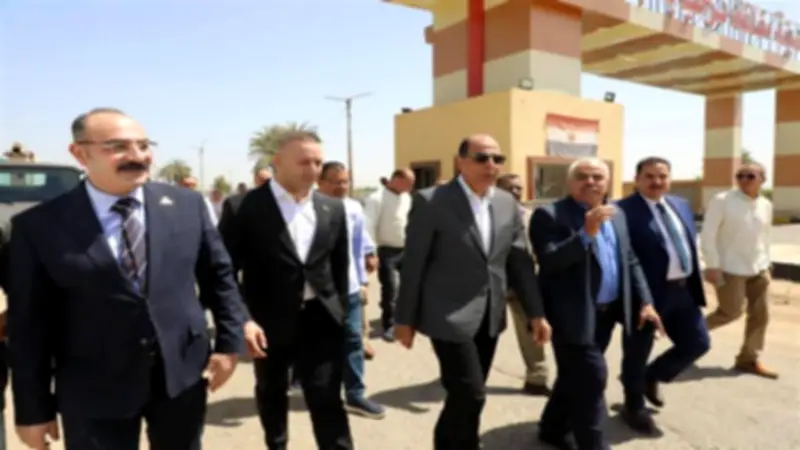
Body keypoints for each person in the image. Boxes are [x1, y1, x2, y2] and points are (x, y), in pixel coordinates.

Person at [6, 107, 245, 450]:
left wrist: (229, 343)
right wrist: (33, 410)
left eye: (144, 145)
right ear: (80, 153)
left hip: (180, 377)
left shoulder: (187, 205)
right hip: (93, 390)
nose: (137, 156)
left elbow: (219, 278)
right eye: (118, 147)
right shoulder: (37, 227)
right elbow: (28, 326)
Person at [394, 134, 550, 450]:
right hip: (447, 314)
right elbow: (413, 264)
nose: (490, 164)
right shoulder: (431, 201)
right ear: (460, 162)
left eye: (497, 158)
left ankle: (462, 442)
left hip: (490, 314)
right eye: (482, 158)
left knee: (466, 396)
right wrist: (404, 319)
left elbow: (519, 262)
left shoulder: (506, 203)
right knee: (470, 393)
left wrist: (535, 313)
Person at [220, 131, 354, 450]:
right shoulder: (243, 207)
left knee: (326, 394)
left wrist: (342, 313)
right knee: (272, 390)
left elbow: (339, 267)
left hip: (321, 319)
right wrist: (243, 319)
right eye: (304, 162)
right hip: (268, 321)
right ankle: (277, 444)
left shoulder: (333, 208)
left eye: (318, 162)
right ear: (277, 161)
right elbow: (225, 271)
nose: (313, 169)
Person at [530, 157, 661, 449]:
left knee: (574, 375)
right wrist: (585, 234)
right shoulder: (549, 215)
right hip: (572, 315)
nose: (590, 182)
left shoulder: (617, 214)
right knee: (592, 379)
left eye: (597, 177)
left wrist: (645, 301)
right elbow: (550, 262)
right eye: (582, 176)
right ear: (570, 182)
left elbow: (629, 259)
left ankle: (552, 428)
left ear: (607, 182)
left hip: (607, 312)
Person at [617, 157, 710, 419]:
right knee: (637, 353)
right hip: (645, 295)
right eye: (649, 176)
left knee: (697, 343)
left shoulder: (680, 204)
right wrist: (640, 298)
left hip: (683, 292)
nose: (656, 182)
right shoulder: (621, 211)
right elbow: (624, 257)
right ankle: (634, 407)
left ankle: (652, 375)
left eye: (662, 176)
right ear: (637, 179)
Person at [317, 161, 386, 419]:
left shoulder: (353, 207)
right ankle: (314, 387)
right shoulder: (309, 207)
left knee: (354, 340)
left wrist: (364, 277)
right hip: (320, 291)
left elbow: (359, 244)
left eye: (345, 181)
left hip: (350, 287)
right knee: (319, 342)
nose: (341, 186)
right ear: (320, 182)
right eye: (335, 182)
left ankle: (355, 395)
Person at [701, 162, 776, 378]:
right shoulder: (722, 201)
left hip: (759, 267)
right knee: (730, 312)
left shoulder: (765, 204)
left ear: (762, 179)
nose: (744, 180)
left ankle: (748, 359)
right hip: (729, 267)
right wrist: (711, 264)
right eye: (740, 175)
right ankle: (689, 335)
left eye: (750, 176)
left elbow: (765, 235)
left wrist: (767, 261)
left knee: (761, 315)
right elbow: (708, 234)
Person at [495, 173, 550, 396]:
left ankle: (537, 379)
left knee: (531, 329)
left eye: (519, 188)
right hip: (495, 283)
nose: (515, 192)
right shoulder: (487, 213)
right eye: (510, 188)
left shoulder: (530, 215)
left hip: (524, 283)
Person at [363, 168, 414, 341]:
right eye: (408, 183)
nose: (411, 187)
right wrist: (370, 252)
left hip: (407, 250)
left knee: (407, 289)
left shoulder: (407, 198)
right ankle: (390, 325)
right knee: (392, 289)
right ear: (397, 179)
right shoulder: (376, 199)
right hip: (387, 252)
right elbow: (368, 226)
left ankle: (405, 320)